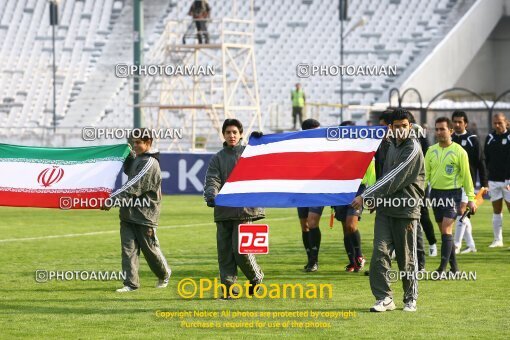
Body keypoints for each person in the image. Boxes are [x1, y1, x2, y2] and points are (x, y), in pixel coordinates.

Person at [352, 108, 424, 313]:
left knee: (406, 258)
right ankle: (384, 298)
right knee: (379, 253)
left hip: (406, 210)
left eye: (404, 126)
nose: (401, 130)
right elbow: (385, 176)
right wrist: (377, 199)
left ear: (409, 127)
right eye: (397, 126)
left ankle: (410, 298)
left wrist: (366, 196)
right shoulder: (390, 145)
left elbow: (394, 178)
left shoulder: (412, 149)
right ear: (390, 128)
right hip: (385, 209)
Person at [204, 119, 265, 299]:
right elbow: (212, 179)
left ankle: (256, 277)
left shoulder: (250, 154)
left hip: (245, 211)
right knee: (225, 254)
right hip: (223, 212)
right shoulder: (217, 158)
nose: (231, 135)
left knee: (242, 252)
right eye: (228, 132)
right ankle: (229, 290)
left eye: (234, 132)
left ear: (240, 134)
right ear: (223, 135)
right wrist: (211, 195)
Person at [104, 130, 171, 293]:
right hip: (128, 213)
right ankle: (131, 284)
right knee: (128, 250)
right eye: (133, 142)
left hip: (145, 215)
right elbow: (129, 171)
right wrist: (126, 155)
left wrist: (111, 199)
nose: (135, 145)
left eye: (138, 143)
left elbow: (134, 185)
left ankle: (164, 273)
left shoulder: (150, 163)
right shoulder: (139, 159)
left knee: (151, 252)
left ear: (148, 143)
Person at [425, 117, 476, 276]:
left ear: (451, 131)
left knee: (447, 229)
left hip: (453, 194)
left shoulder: (459, 151)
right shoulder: (431, 151)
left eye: (442, 129)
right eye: (437, 129)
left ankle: (442, 269)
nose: (439, 132)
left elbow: (467, 177)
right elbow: (425, 175)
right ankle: (454, 268)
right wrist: (420, 193)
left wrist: (470, 199)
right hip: (436, 195)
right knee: (444, 232)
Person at [333, 120, 376, 273]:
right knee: (345, 228)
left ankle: (359, 255)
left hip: (359, 190)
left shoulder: (364, 150)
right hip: (340, 191)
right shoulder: (335, 152)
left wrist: (370, 196)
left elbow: (371, 173)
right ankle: (352, 262)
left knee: (351, 225)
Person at [451, 110, 488, 253]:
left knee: (461, 212)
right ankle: (471, 245)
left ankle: (456, 245)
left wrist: (484, 184)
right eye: (455, 122)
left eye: (460, 122)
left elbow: (481, 162)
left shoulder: (473, 139)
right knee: (461, 214)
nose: (457, 124)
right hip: (451, 183)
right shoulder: (450, 139)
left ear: (465, 123)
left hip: (468, 182)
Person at [296, 118, 323, 272]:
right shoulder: (298, 147)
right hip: (301, 190)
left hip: (318, 190)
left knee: (312, 223)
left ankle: (314, 261)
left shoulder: (325, 147)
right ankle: (309, 259)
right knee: (305, 226)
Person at [484, 112, 510, 247]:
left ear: (507, 123)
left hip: (508, 181)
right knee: (496, 210)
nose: (497, 125)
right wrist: (489, 176)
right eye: (495, 123)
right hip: (494, 180)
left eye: (500, 122)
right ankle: (497, 240)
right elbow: (486, 158)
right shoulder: (489, 138)